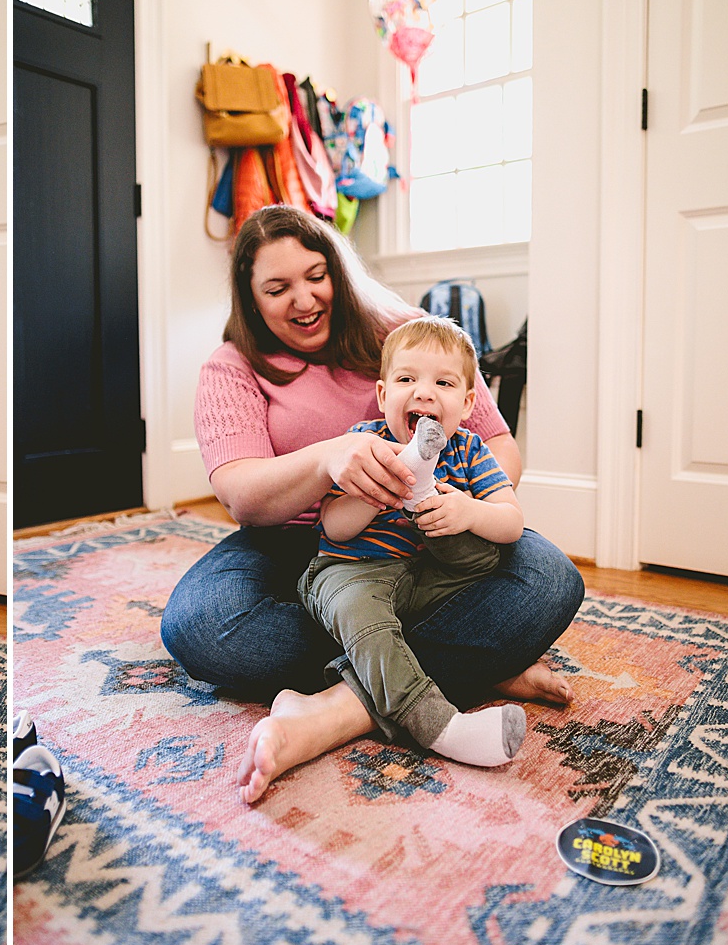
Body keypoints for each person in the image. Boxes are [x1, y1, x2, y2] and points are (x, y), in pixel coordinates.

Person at [158, 205, 582, 804]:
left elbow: (498, 447)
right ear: (251, 300)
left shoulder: (410, 336)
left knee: (550, 577)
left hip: (427, 540)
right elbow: (242, 496)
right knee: (200, 625)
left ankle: (338, 709)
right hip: (303, 540)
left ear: (338, 269)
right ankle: (478, 661)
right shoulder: (231, 367)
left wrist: (462, 504)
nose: (304, 299)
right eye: (277, 288)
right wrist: (330, 459)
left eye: (315, 275)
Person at [300, 316, 528, 770]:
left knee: (492, 558)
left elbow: (512, 522)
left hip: (429, 576)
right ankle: (441, 727)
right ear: (384, 395)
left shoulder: (469, 449)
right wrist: (380, 491)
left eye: (442, 382)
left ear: (467, 404)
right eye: (407, 379)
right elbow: (334, 528)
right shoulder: (363, 444)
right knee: (363, 617)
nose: (423, 392)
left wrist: (468, 511)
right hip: (355, 571)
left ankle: (423, 490)